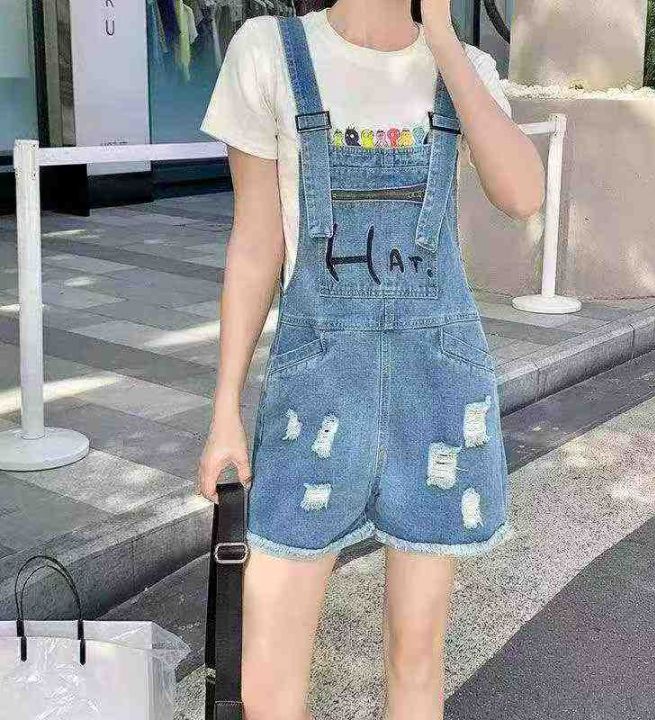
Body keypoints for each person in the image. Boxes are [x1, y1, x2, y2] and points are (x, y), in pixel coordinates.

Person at [197, 0, 545, 717]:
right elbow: (256, 243)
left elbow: (523, 194)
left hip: (436, 397)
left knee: (415, 662)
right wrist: (225, 408)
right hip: (315, 393)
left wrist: (442, 36)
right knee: (263, 686)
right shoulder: (269, 52)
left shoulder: (466, 68)